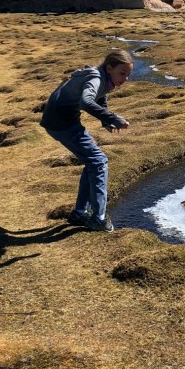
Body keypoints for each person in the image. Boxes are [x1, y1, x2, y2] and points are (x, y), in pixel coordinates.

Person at [40, 48, 133, 232]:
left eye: (128, 75)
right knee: (99, 161)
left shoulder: (100, 76)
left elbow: (101, 95)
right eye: (122, 73)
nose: (125, 78)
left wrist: (105, 120)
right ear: (109, 68)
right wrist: (113, 118)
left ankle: (80, 212)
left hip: (58, 119)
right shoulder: (96, 78)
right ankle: (98, 218)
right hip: (61, 122)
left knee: (92, 161)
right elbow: (86, 101)